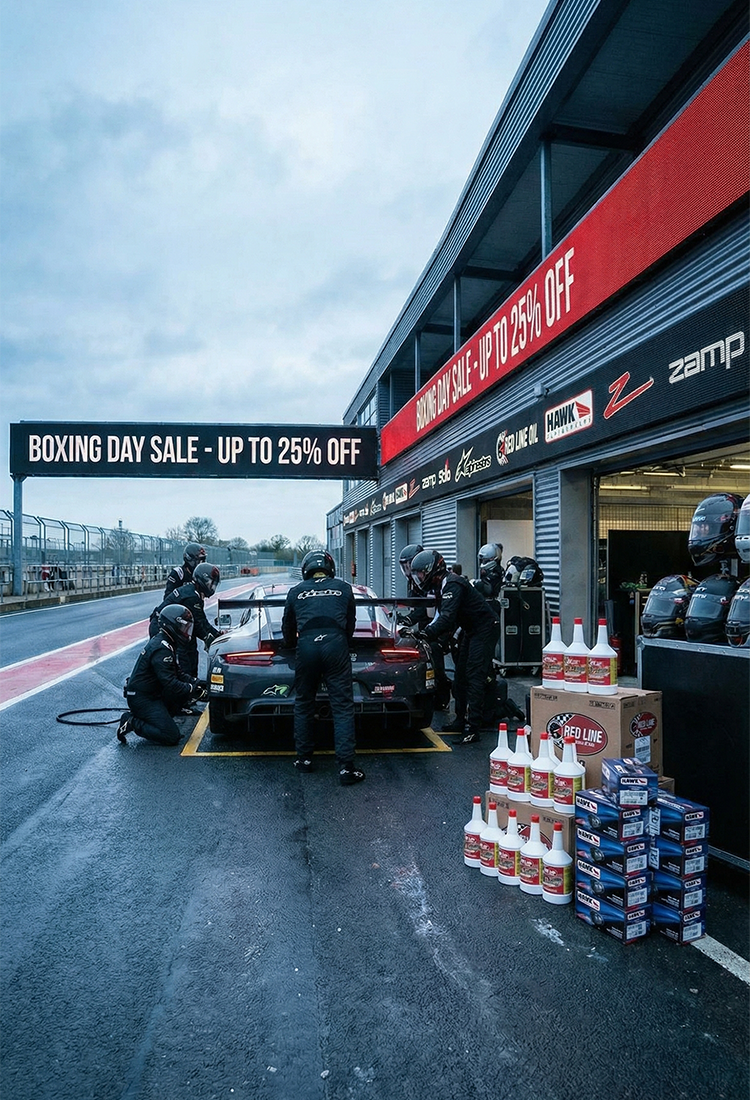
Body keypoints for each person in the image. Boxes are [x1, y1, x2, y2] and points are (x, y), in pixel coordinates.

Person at [281, 549, 364, 786]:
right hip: (335, 644)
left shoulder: (295, 591)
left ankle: (304, 759)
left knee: (304, 702)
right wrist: (341, 642)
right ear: (330, 568)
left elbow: (288, 627)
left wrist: (291, 644)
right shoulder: (344, 588)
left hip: (307, 645)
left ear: (306, 569)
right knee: (342, 706)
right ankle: (346, 768)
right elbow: (350, 623)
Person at [410, 548, 501, 744]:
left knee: (474, 675)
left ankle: (473, 728)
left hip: (485, 628)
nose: (419, 578)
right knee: (460, 676)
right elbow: (435, 614)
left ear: (432, 570)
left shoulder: (452, 584)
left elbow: (446, 618)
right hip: (470, 629)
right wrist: (413, 625)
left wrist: (425, 634)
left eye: (421, 573)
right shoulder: (440, 586)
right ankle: (460, 720)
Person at [117, 605, 208, 745]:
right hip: (143, 698)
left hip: (153, 693)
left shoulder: (167, 641)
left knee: (182, 692)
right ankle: (131, 722)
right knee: (171, 736)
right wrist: (195, 690)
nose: (186, 632)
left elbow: (178, 673)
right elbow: (171, 683)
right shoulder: (162, 648)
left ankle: (163, 715)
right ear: (172, 626)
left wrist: (198, 682)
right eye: (183, 628)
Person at [398, 542, 451, 710]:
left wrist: (409, 620)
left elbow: (428, 608)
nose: (408, 570)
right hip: (427, 624)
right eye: (404, 566)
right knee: (426, 659)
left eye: (409, 565)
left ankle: (442, 696)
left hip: (438, 624)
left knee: (435, 659)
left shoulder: (431, 581)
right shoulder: (413, 582)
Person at [150, 563, 222, 679]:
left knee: (191, 651)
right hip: (161, 626)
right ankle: (181, 685)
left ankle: (190, 682)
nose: (212, 586)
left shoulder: (194, 592)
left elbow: (199, 622)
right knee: (178, 659)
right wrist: (217, 636)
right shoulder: (191, 597)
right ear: (202, 580)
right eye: (210, 583)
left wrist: (216, 634)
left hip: (174, 625)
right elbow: (199, 625)